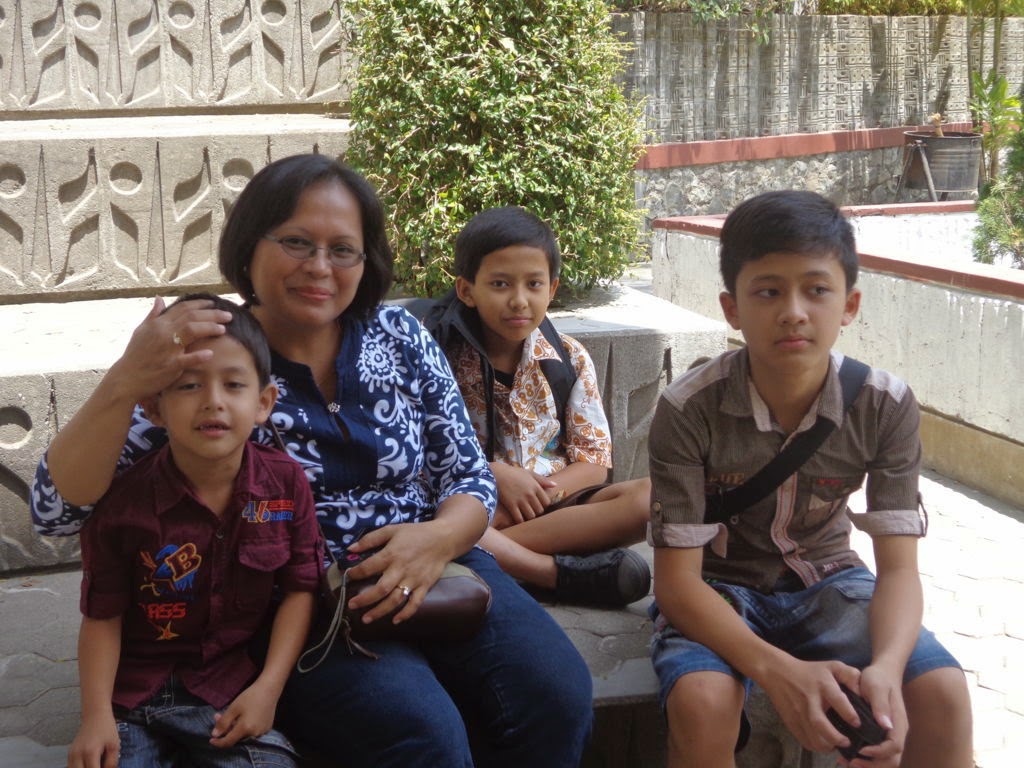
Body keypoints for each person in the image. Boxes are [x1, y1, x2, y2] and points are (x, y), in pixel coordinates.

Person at [31, 154, 593, 768]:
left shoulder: (400, 336)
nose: (320, 267)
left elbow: (466, 473)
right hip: (302, 602)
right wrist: (124, 380)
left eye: (342, 249)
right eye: (296, 242)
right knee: (420, 731)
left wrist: (437, 539)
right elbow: (57, 512)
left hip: (440, 565)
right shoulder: (216, 352)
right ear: (250, 245)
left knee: (556, 693)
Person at [647, 191, 973, 768]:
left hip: (830, 582)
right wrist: (779, 673)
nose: (794, 312)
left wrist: (887, 669)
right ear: (731, 308)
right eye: (768, 291)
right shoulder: (689, 407)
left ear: (850, 304)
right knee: (702, 701)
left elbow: (899, 569)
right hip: (720, 588)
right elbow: (677, 584)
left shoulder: (883, 404)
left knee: (942, 693)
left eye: (817, 290)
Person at [67, 294, 320, 768]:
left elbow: (300, 588)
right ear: (154, 408)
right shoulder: (122, 504)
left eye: (234, 384)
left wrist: (268, 689)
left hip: (224, 693)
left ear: (263, 402)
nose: (213, 401)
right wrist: (94, 716)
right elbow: (101, 615)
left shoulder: (285, 485)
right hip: (131, 700)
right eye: (188, 386)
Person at [426, 206, 651, 607]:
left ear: (552, 288)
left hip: (555, 504)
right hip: (476, 505)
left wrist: (540, 496)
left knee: (650, 499)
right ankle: (546, 571)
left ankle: (481, 559)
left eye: (533, 284)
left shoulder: (569, 357)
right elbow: (420, 453)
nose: (519, 300)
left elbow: (594, 461)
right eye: (499, 284)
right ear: (466, 291)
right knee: (439, 516)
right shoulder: (437, 359)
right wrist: (494, 475)